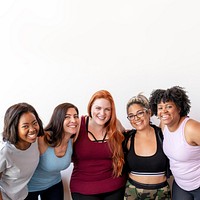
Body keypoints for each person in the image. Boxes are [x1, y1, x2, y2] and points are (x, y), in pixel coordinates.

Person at [70, 90, 126, 200]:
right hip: (83, 188)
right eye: (98, 108)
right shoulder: (78, 125)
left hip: (114, 186)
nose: (102, 113)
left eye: (107, 109)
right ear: (90, 107)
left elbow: (128, 134)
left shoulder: (115, 126)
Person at [149, 86, 200, 200]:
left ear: (179, 108)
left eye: (169, 106)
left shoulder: (191, 128)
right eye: (160, 107)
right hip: (181, 185)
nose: (164, 111)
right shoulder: (164, 126)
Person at [26, 103, 80, 200]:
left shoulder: (72, 140)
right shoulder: (43, 138)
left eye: (76, 116)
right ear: (58, 119)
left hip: (54, 184)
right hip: (30, 187)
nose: (73, 120)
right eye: (67, 117)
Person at [123, 94, 171, 200]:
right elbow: (111, 120)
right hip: (133, 192)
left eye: (140, 113)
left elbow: (168, 105)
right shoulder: (128, 138)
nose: (136, 118)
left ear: (149, 112)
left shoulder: (162, 133)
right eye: (131, 115)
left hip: (161, 193)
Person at [0, 102, 44, 200]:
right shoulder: (5, 151)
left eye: (34, 123)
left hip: (23, 196)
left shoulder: (36, 141)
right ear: (14, 128)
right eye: (25, 126)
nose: (32, 129)